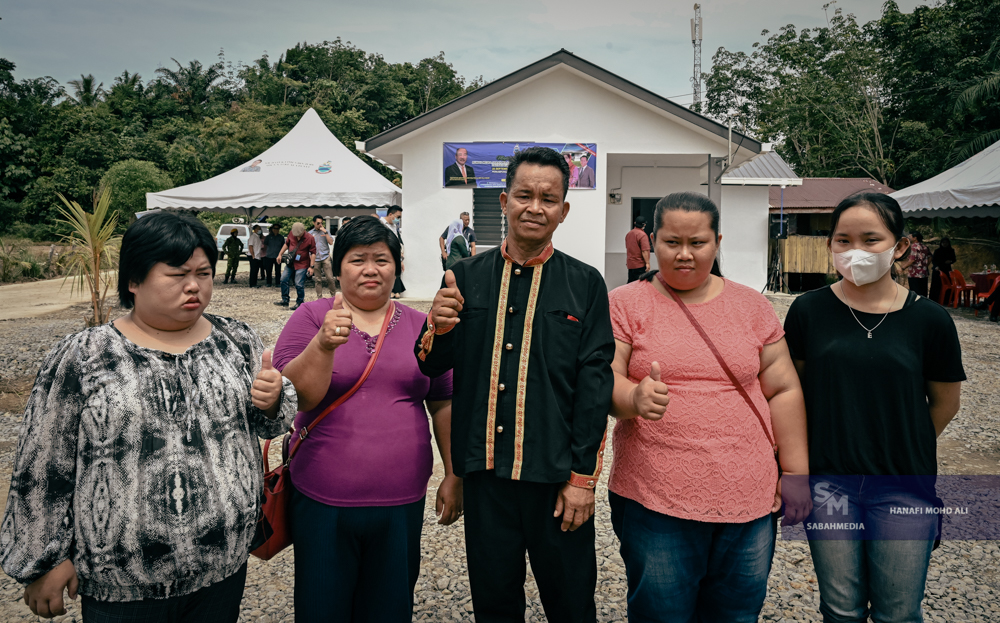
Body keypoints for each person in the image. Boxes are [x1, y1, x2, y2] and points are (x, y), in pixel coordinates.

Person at [0, 212, 295, 622]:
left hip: (223, 568)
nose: (194, 286)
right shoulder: (86, 355)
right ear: (134, 281)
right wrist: (42, 560)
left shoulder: (236, 340)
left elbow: (270, 424)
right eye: (177, 274)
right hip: (122, 584)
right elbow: (42, 462)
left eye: (203, 273)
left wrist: (273, 400)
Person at [417, 146, 615, 623]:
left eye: (549, 198)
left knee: (571, 604)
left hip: (556, 479)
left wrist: (582, 481)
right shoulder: (463, 276)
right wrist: (437, 326)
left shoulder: (586, 284)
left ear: (564, 210)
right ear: (504, 201)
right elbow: (431, 366)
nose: (535, 207)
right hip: (486, 479)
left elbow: (594, 389)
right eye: (524, 195)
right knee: (495, 604)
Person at [606, 192, 811, 623]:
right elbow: (606, 379)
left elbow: (783, 389)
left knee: (736, 612)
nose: (684, 254)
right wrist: (634, 398)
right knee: (661, 613)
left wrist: (795, 473)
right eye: (671, 242)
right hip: (655, 494)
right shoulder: (625, 303)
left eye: (697, 243)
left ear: (716, 242)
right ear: (653, 242)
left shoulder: (752, 306)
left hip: (748, 491)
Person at [783, 193, 965, 623]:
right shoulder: (808, 311)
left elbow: (945, 403)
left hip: (904, 486)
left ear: (899, 246)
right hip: (829, 485)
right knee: (840, 610)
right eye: (843, 240)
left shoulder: (931, 320)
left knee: (898, 612)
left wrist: (898, 441)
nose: (855, 251)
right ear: (830, 244)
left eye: (870, 239)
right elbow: (792, 394)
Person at [273, 216, 460, 622]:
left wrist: (453, 473)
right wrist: (323, 345)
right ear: (338, 268)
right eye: (358, 260)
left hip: (402, 501)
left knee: (389, 607)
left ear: (397, 267)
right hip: (321, 498)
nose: (371, 269)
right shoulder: (310, 318)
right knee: (322, 606)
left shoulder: (422, 326)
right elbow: (292, 397)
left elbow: (443, 401)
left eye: (382, 259)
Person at [274, 222, 316, 310]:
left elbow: (313, 253)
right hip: (291, 263)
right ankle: (285, 299)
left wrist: (311, 267)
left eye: (299, 235)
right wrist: (280, 254)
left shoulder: (310, 238)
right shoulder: (291, 234)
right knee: (283, 279)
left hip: (302, 264)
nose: (297, 237)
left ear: (304, 231)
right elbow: (286, 244)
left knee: (298, 284)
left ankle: (300, 302)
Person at [309, 215, 335, 298]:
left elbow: (331, 242)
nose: (320, 225)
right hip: (315, 259)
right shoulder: (310, 234)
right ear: (314, 223)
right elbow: (308, 248)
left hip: (325, 257)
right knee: (318, 279)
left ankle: (333, 296)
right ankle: (319, 298)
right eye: (318, 223)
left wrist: (325, 233)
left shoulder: (326, 231)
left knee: (330, 278)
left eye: (321, 223)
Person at [381, 206, 406, 298]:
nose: (398, 220)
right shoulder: (380, 224)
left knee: (395, 271)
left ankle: (395, 291)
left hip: (394, 253)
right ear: (390, 214)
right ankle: (391, 291)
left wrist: (401, 256)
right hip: (384, 252)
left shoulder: (394, 226)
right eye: (398, 217)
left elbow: (398, 241)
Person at [929, 236, 957, 303]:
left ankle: (946, 299)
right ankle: (935, 299)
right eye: (943, 242)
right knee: (936, 284)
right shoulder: (937, 251)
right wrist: (936, 266)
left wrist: (950, 261)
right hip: (938, 269)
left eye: (946, 242)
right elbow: (934, 260)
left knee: (947, 284)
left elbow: (954, 259)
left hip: (946, 269)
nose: (944, 244)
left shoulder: (951, 250)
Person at [624, 215, 650, 282]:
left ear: (635, 223)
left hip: (630, 264)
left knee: (631, 283)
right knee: (640, 284)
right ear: (644, 225)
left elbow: (628, 248)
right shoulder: (642, 235)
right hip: (640, 265)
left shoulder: (629, 234)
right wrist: (647, 263)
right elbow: (644, 251)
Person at [905, 231, 931, 297]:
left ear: (915, 238)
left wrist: (902, 267)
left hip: (914, 273)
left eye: (910, 236)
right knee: (923, 292)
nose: (908, 237)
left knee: (915, 293)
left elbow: (912, 260)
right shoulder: (924, 247)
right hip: (923, 273)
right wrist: (925, 265)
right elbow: (930, 257)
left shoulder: (913, 247)